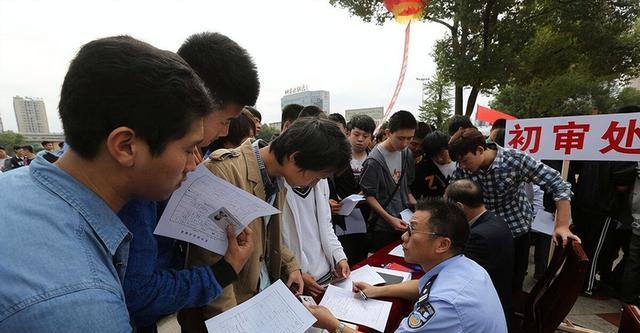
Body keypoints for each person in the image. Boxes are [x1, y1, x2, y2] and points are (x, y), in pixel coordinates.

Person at [0, 35, 214, 332]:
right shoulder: (84, 306)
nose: (194, 165)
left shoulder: (13, 187)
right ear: (125, 146)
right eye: (188, 149)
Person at [118, 32, 260, 331]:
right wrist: (224, 270)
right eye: (224, 121)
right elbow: (138, 291)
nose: (224, 133)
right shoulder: (145, 175)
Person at [178, 117, 351, 332]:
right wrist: (232, 325)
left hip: (261, 299)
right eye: (317, 177)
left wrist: (290, 265)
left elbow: (266, 234)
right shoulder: (223, 174)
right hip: (232, 312)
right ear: (295, 158)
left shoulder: (277, 177)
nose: (316, 184)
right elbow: (209, 263)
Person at [308, 198, 507, 333]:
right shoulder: (466, 266)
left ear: (442, 244)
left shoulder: (444, 305)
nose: (403, 237)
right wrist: (378, 290)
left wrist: (335, 325)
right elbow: (423, 285)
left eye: (412, 231)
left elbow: (435, 294)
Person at [448, 127, 580, 292]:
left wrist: (561, 225)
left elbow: (559, 185)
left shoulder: (515, 160)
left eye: (464, 160)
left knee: (512, 283)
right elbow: (451, 194)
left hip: (515, 232)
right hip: (482, 234)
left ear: (480, 150)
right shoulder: (463, 168)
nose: (462, 166)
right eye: (458, 162)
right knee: (480, 282)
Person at [444, 179, 514, 319]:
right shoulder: (495, 220)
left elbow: (457, 276)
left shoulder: (478, 236)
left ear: (458, 207)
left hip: (487, 307)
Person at [360, 110, 417, 251]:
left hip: (404, 220)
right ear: (388, 133)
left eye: (409, 138)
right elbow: (368, 195)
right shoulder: (374, 161)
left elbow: (405, 183)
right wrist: (389, 218)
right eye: (400, 138)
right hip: (383, 227)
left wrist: (411, 199)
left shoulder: (406, 153)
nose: (405, 143)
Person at [329, 114, 376, 265]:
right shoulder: (336, 158)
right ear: (348, 133)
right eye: (356, 134)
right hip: (341, 218)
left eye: (365, 136)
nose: (360, 139)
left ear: (371, 138)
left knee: (362, 259)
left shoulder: (374, 160)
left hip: (367, 218)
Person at [411, 131, 455, 199]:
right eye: (434, 156)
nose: (439, 159)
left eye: (442, 153)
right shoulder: (422, 170)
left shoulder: (461, 162)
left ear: (447, 147)